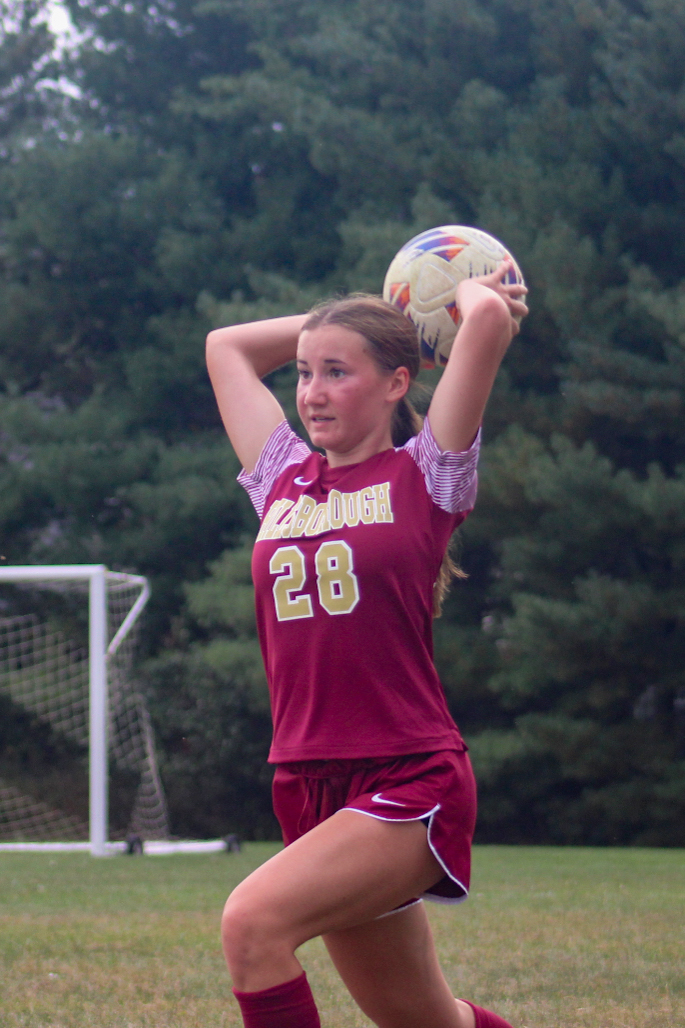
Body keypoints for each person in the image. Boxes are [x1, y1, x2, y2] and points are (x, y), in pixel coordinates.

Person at [206, 261, 528, 1028]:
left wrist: (452, 300)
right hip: (308, 780)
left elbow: (483, 321)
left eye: (337, 372)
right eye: (306, 373)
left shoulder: (426, 476)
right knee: (424, 1020)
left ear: (396, 383)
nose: (311, 391)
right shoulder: (283, 476)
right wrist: (371, 315)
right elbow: (226, 347)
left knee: (251, 925)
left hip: (408, 775)